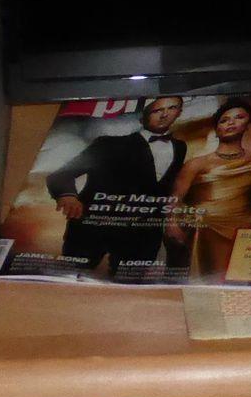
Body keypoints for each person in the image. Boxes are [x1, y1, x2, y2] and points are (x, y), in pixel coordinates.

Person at [45, 96, 187, 278]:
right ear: (143, 116)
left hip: (143, 235)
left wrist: (170, 220)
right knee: (68, 280)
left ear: (179, 112)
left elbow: (167, 188)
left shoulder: (180, 148)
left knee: (130, 288)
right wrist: (68, 195)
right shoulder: (108, 144)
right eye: (157, 110)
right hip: (93, 227)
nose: (165, 114)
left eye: (172, 108)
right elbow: (61, 174)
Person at [166, 97, 251, 280]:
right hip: (205, 230)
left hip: (244, 229)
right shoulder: (196, 164)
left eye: (239, 117)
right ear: (216, 130)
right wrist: (172, 224)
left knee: (241, 281)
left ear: (248, 125)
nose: (231, 122)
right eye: (224, 120)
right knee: (207, 280)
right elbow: (175, 198)